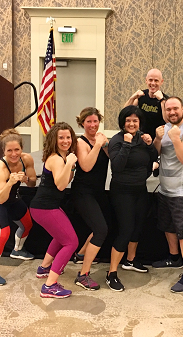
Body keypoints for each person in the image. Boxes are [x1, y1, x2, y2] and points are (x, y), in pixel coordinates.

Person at [105, 106, 158, 291]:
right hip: (122, 191)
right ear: (123, 122)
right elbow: (117, 166)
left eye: (135, 120)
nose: (132, 123)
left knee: (138, 226)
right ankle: (111, 273)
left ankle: (131, 260)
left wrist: (150, 144)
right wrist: (127, 144)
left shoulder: (142, 138)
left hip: (140, 190)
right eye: (128, 120)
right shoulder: (117, 141)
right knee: (126, 230)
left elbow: (154, 156)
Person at [153, 96, 183, 293]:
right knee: (168, 226)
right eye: (168, 109)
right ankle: (174, 258)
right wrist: (157, 138)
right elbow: (158, 152)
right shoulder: (164, 129)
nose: (172, 112)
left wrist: (175, 139)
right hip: (165, 188)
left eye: (175, 109)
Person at [29, 122, 79, 299]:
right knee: (71, 242)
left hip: (45, 206)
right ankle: (49, 285)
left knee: (61, 237)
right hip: (45, 208)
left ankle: (44, 268)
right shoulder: (57, 159)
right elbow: (61, 185)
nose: (66, 141)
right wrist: (70, 163)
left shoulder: (61, 157)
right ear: (54, 139)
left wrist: (70, 165)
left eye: (68, 137)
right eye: (61, 138)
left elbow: (67, 177)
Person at [0, 129, 37, 285]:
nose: (14, 154)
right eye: (9, 151)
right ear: (3, 151)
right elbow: (0, 198)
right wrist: (11, 182)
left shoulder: (26, 159)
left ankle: (18, 250)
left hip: (13, 199)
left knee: (27, 224)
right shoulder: (0, 168)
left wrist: (25, 178)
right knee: (3, 234)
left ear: (21, 149)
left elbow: (33, 183)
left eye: (17, 150)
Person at [71, 107, 110, 291]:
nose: (93, 125)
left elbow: (112, 158)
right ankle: (83, 275)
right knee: (101, 230)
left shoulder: (101, 140)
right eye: (89, 122)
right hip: (82, 192)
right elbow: (86, 166)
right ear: (82, 123)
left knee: (101, 226)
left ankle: (80, 255)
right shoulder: (81, 142)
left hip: (98, 192)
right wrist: (97, 145)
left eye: (95, 121)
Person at [124, 68, 168, 139]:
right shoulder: (141, 96)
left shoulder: (166, 99)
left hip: (159, 139)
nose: (153, 83)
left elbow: (168, 120)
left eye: (156, 80)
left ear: (161, 82)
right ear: (146, 80)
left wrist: (162, 100)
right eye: (150, 80)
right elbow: (124, 113)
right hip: (142, 137)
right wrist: (132, 97)